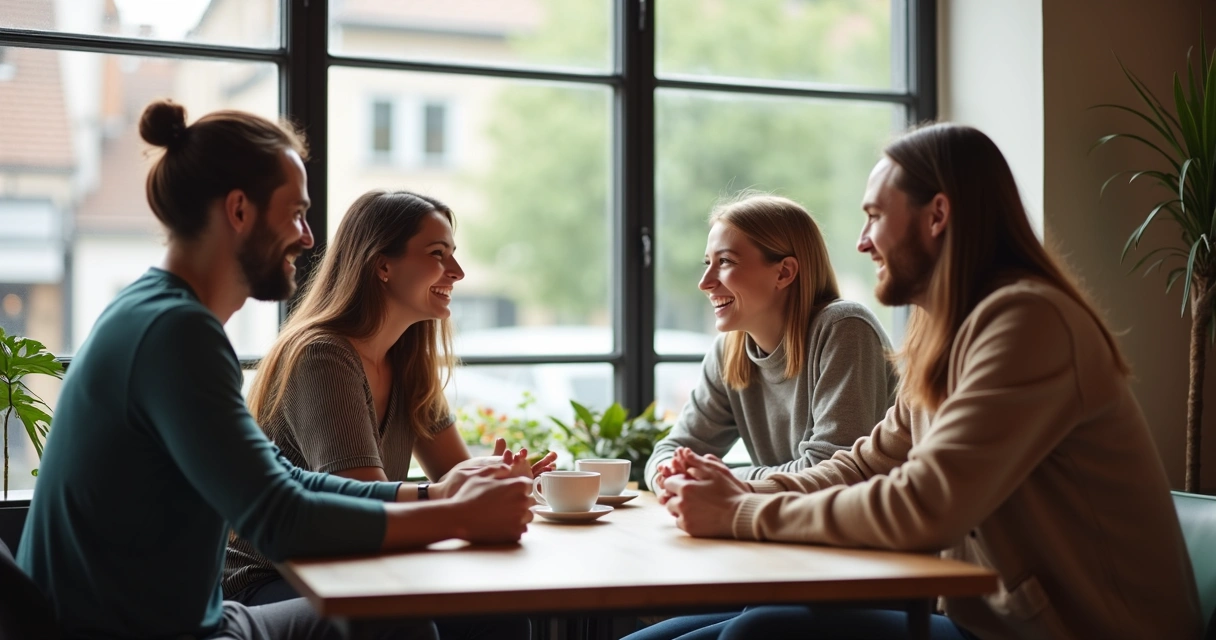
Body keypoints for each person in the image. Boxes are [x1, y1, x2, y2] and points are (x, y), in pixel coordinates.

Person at [635, 123, 1202, 640]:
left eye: (875, 216)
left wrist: (738, 512)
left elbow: (925, 503)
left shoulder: (1029, 321)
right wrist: (738, 492)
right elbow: (865, 463)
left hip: (1074, 633)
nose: (861, 241)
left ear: (937, 215)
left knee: (758, 634)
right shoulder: (948, 332)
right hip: (986, 620)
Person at [17, 100, 535, 640]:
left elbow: (285, 480)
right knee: (394, 626)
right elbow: (280, 519)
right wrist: (458, 517)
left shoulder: (165, 317)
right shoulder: (174, 331)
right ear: (239, 211)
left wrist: (439, 494)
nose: (309, 237)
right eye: (295, 213)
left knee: (452, 617)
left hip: (204, 618)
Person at [223, 189, 554, 631]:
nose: (457, 272)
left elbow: (454, 476)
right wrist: (469, 497)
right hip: (273, 578)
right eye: (439, 254)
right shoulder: (322, 356)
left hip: (358, 565)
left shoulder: (408, 360)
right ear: (382, 265)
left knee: (500, 619)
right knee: (423, 625)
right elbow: (370, 510)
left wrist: (500, 481)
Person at [646, 193, 897, 495]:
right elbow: (670, 451)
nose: (705, 282)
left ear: (784, 272)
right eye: (707, 263)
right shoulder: (729, 351)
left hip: (873, 536)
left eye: (725, 261)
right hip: (785, 532)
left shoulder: (844, 329)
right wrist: (672, 478)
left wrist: (723, 480)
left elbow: (833, 471)